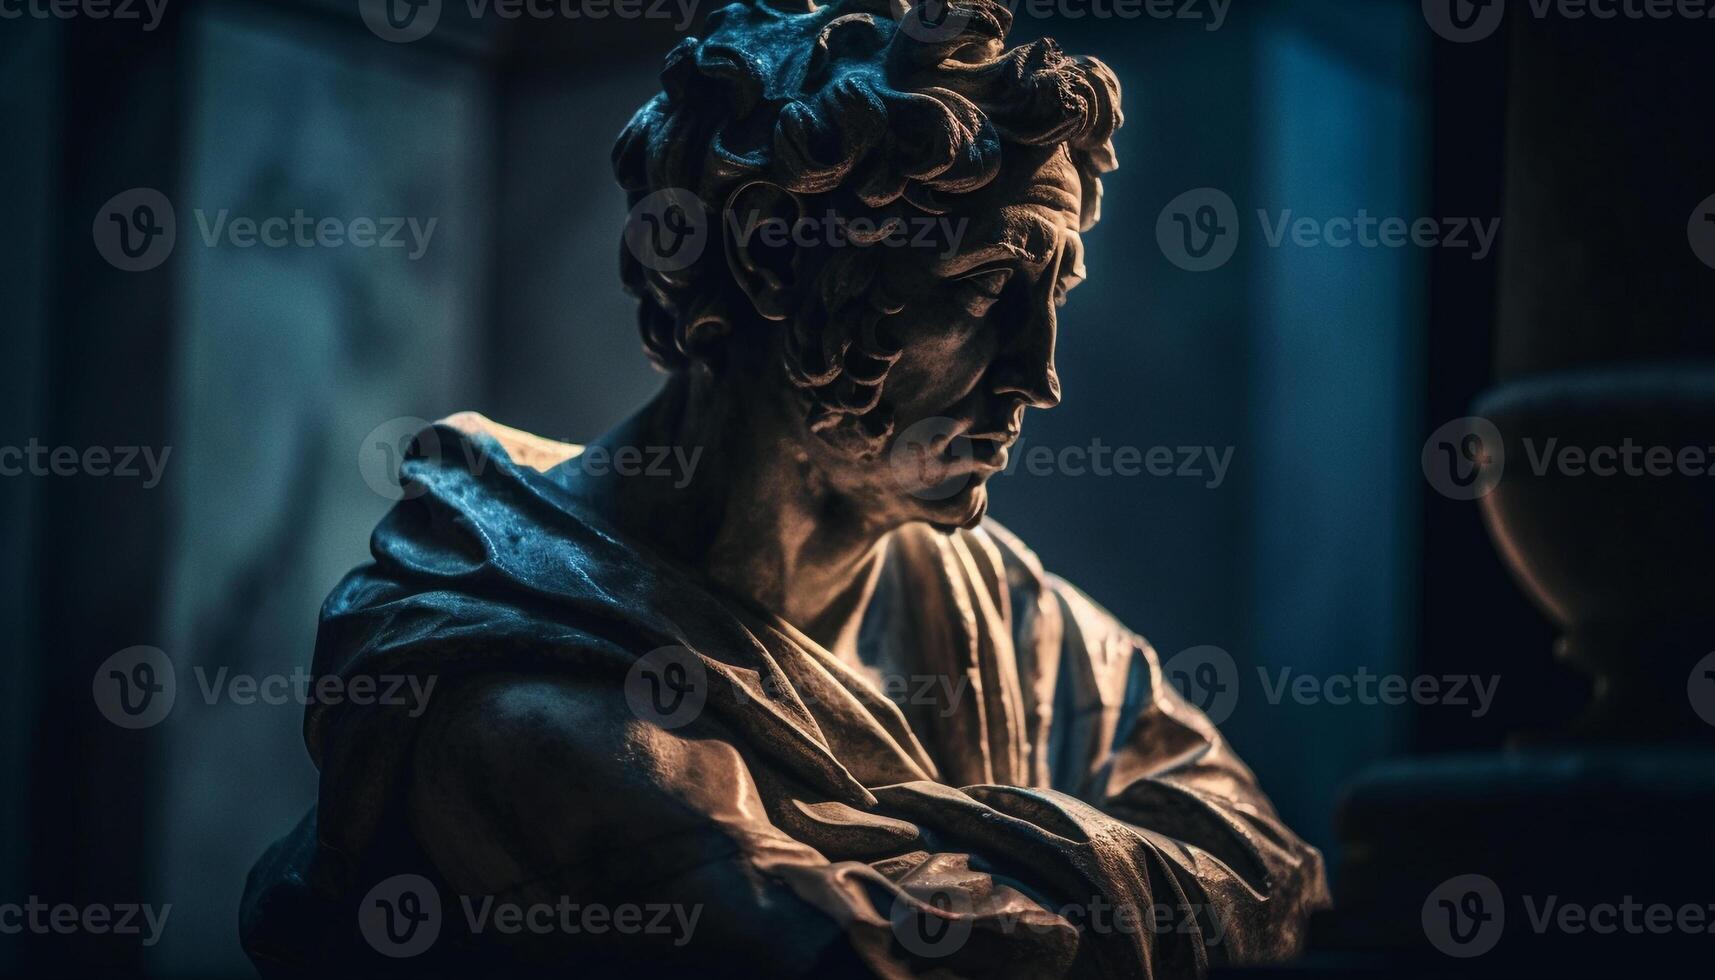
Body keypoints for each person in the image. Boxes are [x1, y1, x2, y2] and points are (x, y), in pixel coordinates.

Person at [241, 2, 1327, 975]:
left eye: (1051, 293)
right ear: (770, 265)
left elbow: (1275, 873)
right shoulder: (518, 686)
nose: (1035, 374)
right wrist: (1083, 858)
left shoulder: (997, 610)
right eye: (985, 287)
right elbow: (836, 957)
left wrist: (928, 842)